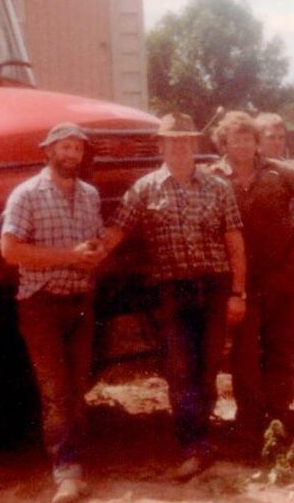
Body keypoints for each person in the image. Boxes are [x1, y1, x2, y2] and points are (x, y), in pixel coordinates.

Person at [102, 112, 247, 478]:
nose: (180, 147)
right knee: (180, 368)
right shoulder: (144, 189)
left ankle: (203, 434)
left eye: (185, 140)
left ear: (194, 144)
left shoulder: (218, 187)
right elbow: (116, 232)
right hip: (171, 291)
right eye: (172, 141)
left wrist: (237, 292)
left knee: (209, 365)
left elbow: (234, 243)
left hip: (213, 287)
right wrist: (83, 256)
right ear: (161, 146)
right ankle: (192, 445)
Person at [209, 111, 294, 447]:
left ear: (256, 142)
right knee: (245, 354)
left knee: (281, 350)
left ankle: (277, 418)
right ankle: (249, 423)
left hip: (282, 277)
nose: (243, 145)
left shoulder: (277, 172)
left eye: (248, 138)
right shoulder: (213, 178)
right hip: (241, 282)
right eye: (235, 139)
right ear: (223, 144)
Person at [1, 123, 105, 503]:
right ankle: (66, 473)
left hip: (80, 302)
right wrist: (69, 257)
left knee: (77, 387)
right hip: (40, 304)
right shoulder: (26, 194)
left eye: (77, 148)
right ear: (48, 151)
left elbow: (95, 241)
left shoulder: (90, 195)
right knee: (56, 391)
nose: (71, 155)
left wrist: (96, 253)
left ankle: (76, 463)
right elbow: (10, 250)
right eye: (64, 147)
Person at [254, 112, 294, 367]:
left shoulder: (293, 172)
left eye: (281, 137)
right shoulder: (250, 172)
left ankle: (289, 383)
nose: (277, 142)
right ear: (257, 140)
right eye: (271, 137)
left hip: (293, 259)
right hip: (261, 262)